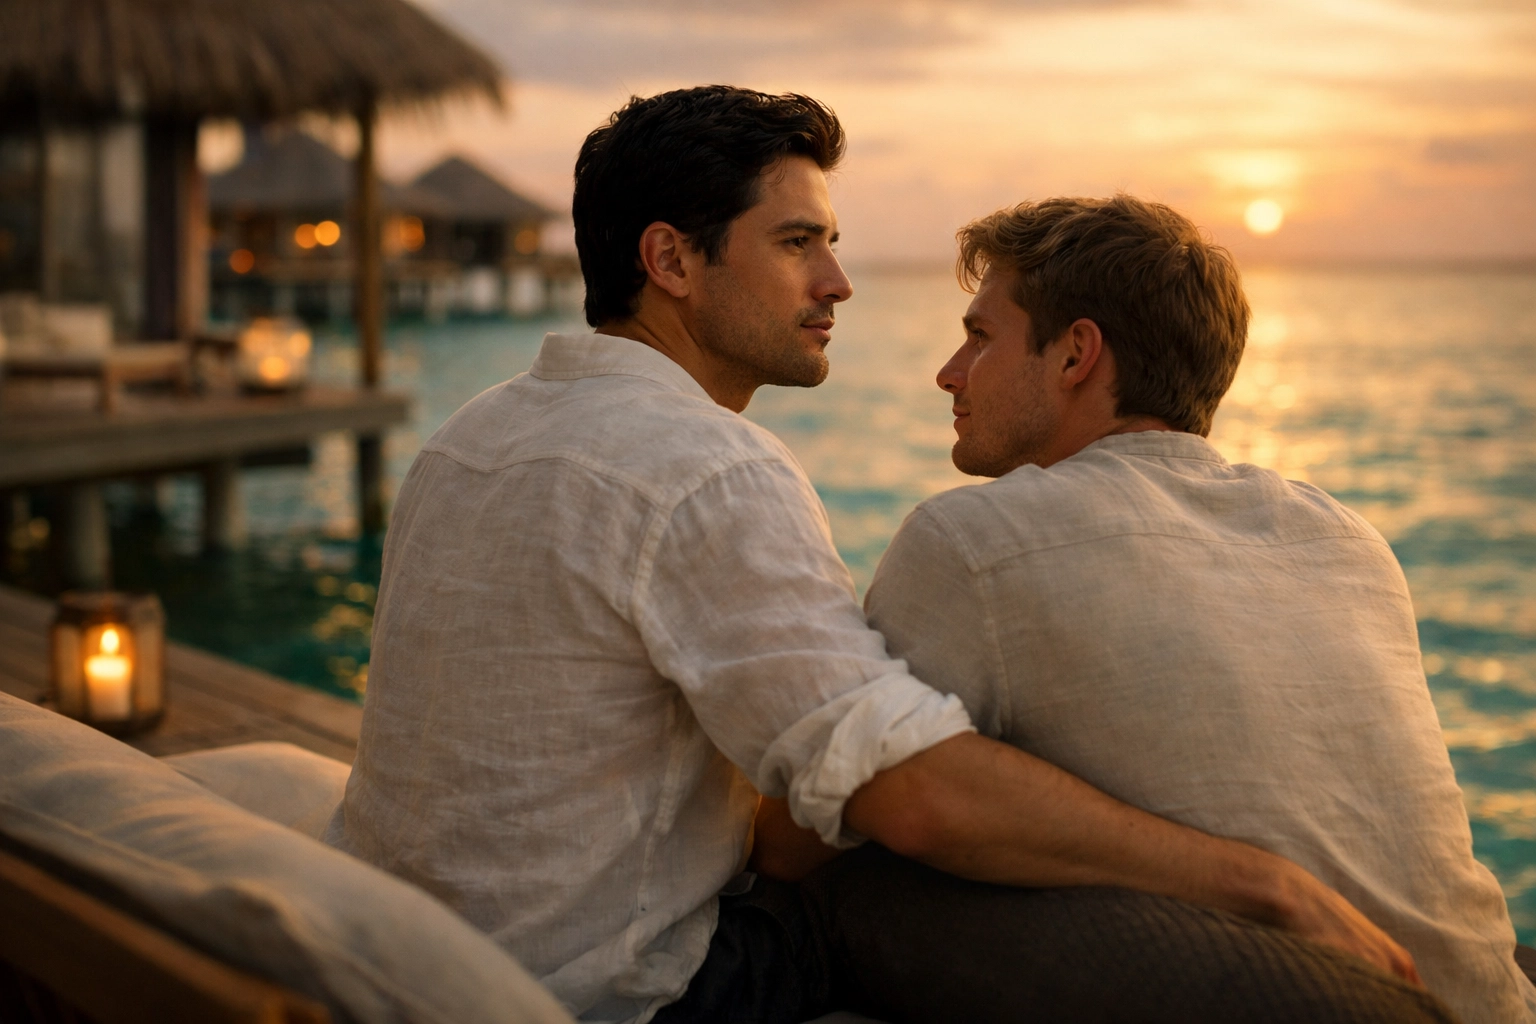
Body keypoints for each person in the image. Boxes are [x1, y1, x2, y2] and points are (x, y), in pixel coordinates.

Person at [327, 87, 1446, 1024]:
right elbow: (903, 794)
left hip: (413, 952)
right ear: (670, 259)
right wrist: (1257, 880)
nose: (839, 284)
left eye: (835, 244)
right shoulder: (711, 469)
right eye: (797, 242)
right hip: (621, 997)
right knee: (875, 865)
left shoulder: (467, 437)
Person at [862, 193, 1535, 1023]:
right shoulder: (1348, 537)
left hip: (1294, 997)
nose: (949, 371)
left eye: (979, 336)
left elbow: (833, 814)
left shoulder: (972, 540)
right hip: (1491, 997)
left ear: (1076, 354)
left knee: (848, 880)